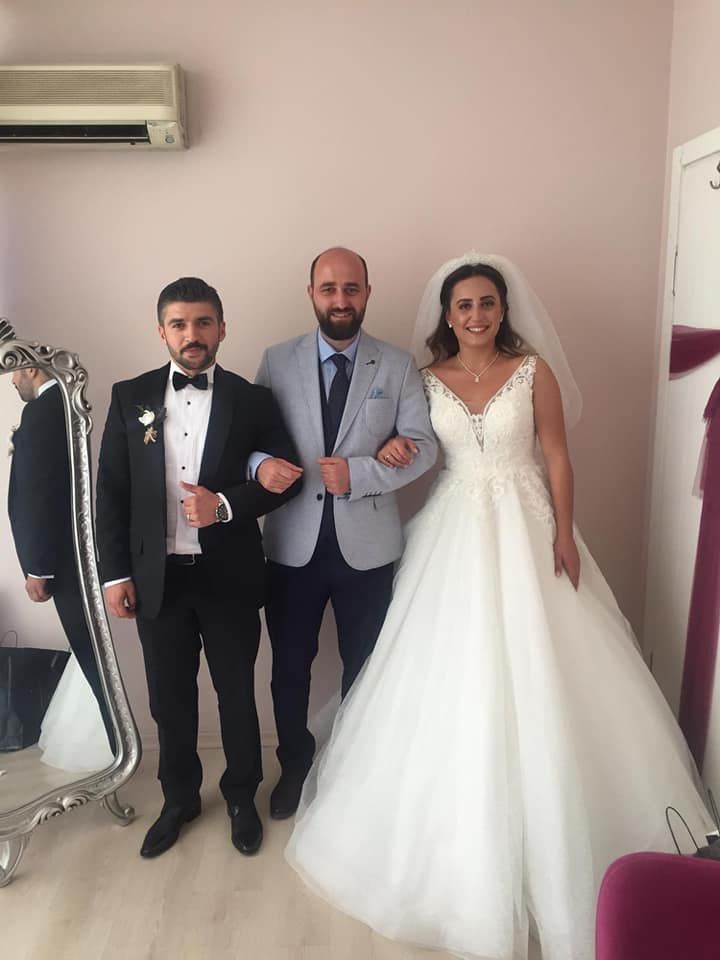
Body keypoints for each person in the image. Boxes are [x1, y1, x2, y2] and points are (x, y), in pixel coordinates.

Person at [285, 254, 715, 960]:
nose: (476, 315)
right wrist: (391, 448)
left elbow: (558, 456)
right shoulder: (425, 379)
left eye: (487, 303)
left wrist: (565, 532)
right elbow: (416, 446)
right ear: (448, 315)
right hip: (452, 530)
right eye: (464, 305)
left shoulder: (533, 371)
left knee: (551, 665)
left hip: (528, 525)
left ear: (503, 309)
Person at [96, 277, 301, 859]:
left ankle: (241, 797)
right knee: (169, 698)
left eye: (203, 322)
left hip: (228, 575)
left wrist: (226, 506)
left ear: (222, 328)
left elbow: (287, 476)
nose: (193, 334)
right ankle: (179, 799)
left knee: (236, 692)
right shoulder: (130, 395)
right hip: (156, 578)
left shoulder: (252, 399)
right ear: (161, 331)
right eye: (180, 324)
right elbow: (110, 490)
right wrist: (115, 574)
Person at [253, 247, 438, 820]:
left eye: (351, 288)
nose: (340, 300)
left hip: (370, 548)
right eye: (329, 288)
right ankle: (294, 768)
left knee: (367, 667)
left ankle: (357, 775)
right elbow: (249, 441)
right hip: (291, 548)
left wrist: (359, 473)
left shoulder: (398, 365)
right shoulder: (276, 360)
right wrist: (260, 464)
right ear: (311, 293)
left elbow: (425, 446)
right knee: (290, 669)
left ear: (367, 293)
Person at [8, 366, 116, 754]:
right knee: (96, 657)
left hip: (64, 561)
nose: (11, 381)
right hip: (77, 555)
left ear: (31, 366)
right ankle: (114, 742)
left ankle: (115, 744)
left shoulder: (42, 411)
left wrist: (38, 568)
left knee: (92, 658)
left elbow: (39, 493)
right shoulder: (67, 404)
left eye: (13, 372)